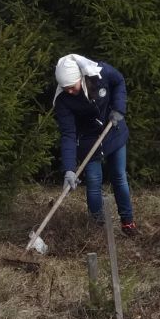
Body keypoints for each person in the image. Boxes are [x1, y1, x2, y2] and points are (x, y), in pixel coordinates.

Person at [51, 54, 136, 236]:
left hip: (113, 129)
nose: (69, 91)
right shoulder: (63, 100)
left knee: (119, 176)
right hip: (88, 140)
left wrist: (118, 108)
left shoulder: (100, 73)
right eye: (65, 88)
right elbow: (68, 134)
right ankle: (97, 230)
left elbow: (119, 81)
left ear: (80, 78)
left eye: (72, 87)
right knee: (93, 181)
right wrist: (69, 169)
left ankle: (128, 222)